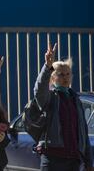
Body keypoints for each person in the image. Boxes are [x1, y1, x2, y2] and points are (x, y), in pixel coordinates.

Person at [34, 43, 93, 171]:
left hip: (74, 160)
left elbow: (83, 131)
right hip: (52, 159)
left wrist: (89, 163)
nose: (65, 77)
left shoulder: (75, 99)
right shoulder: (49, 97)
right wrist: (47, 66)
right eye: (61, 74)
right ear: (53, 77)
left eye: (68, 74)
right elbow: (39, 90)